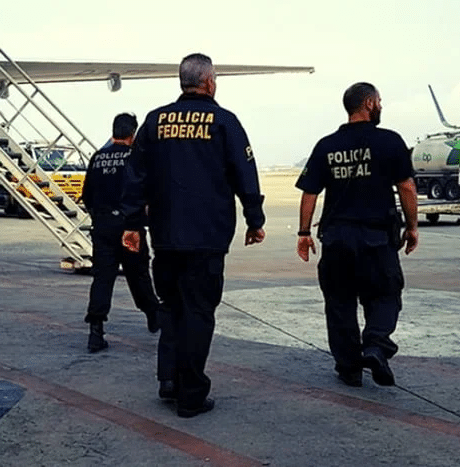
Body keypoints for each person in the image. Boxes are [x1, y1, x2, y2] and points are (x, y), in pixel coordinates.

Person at [120, 53, 266, 418]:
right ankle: (191, 393)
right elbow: (244, 173)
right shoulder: (224, 122)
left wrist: (132, 224)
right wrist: (254, 218)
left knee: (171, 308)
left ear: (182, 81)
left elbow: (135, 177)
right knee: (199, 312)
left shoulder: (154, 122)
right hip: (207, 237)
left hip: (166, 236)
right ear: (210, 82)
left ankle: (168, 380)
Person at [295, 82, 419, 388]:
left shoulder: (326, 145)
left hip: (337, 238)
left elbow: (310, 192)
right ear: (368, 103)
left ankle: (349, 367)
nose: (380, 105)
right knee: (385, 294)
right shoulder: (390, 141)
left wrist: (303, 232)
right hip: (376, 238)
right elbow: (406, 187)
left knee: (339, 302)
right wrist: (412, 227)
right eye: (378, 101)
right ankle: (376, 345)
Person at [82, 113, 161, 353]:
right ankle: (153, 314)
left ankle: (95, 331)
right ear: (132, 134)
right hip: (130, 228)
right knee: (138, 274)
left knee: (102, 278)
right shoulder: (136, 157)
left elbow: (87, 195)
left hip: (103, 227)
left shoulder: (97, 158)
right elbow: (146, 191)